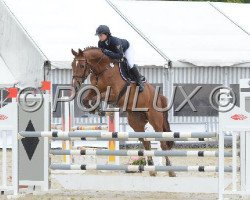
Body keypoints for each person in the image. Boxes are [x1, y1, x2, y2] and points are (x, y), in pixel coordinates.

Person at [95, 25, 144, 92]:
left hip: (126, 49)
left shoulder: (115, 41)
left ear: (106, 34)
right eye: (98, 36)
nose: (99, 37)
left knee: (130, 63)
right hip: (115, 52)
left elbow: (120, 55)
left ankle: (139, 81)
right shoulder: (100, 43)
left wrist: (107, 53)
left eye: (100, 35)